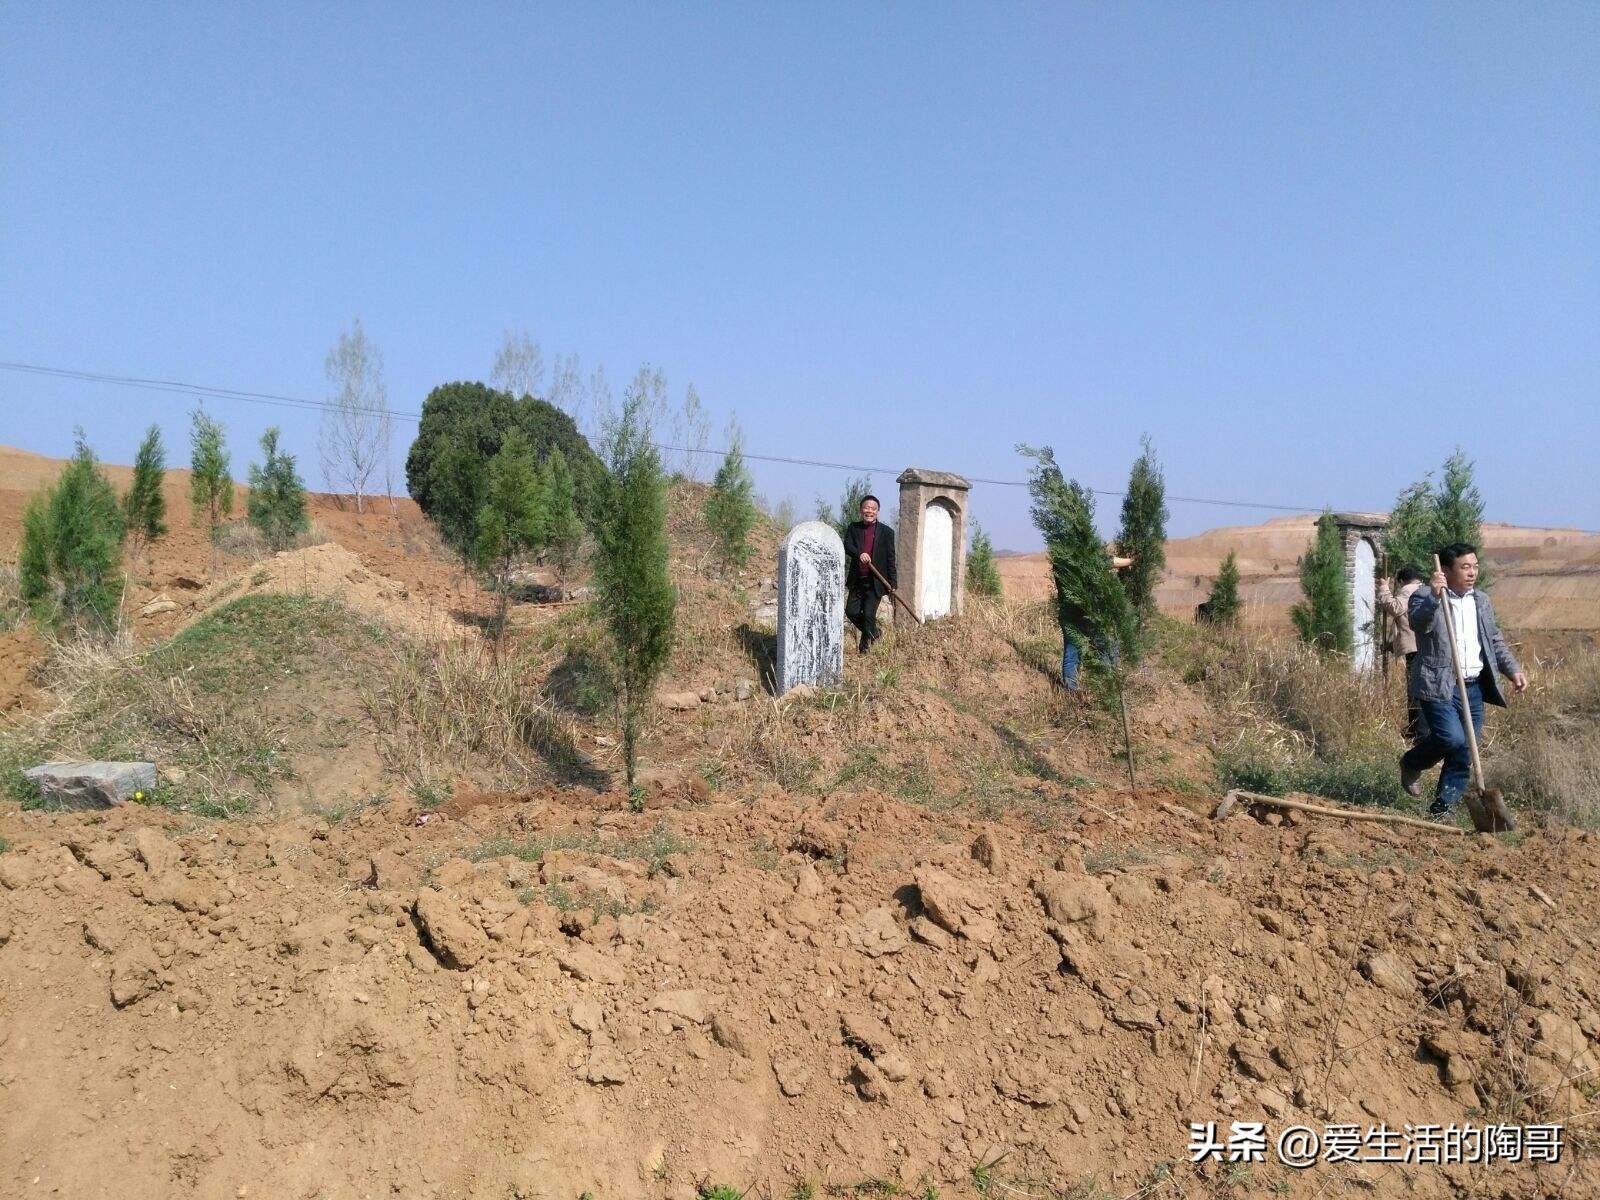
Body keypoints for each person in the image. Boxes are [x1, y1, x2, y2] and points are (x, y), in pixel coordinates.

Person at [1399, 543, 1528, 819]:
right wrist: (1435, 597)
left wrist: (1512, 670)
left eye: (1475, 566)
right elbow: (1418, 624)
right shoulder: (1424, 596)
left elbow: (1494, 640)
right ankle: (1411, 762)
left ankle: (1443, 806)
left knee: (1465, 749)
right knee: (1452, 738)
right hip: (1438, 683)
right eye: (1465, 567)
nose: (1472, 572)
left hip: (1473, 686)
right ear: (1446, 571)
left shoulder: (1480, 600)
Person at [842, 495, 896, 654]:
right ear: (861, 510)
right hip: (857, 580)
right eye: (866, 507)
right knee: (851, 612)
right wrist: (859, 553)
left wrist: (893, 584)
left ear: (877, 512)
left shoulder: (887, 532)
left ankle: (864, 651)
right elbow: (847, 545)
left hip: (876, 582)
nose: (869, 511)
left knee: (868, 615)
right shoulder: (853, 528)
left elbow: (891, 559)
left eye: (873, 508)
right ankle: (875, 633)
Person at [1376, 565, 1425, 740]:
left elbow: (1396, 608)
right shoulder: (1423, 590)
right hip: (1421, 647)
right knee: (1420, 689)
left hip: (1415, 650)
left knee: (1414, 690)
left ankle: (1416, 728)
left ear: (1402, 581)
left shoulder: (1409, 590)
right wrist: (1391, 646)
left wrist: (1384, 589)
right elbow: (1407, 626)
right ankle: (1417, 728)